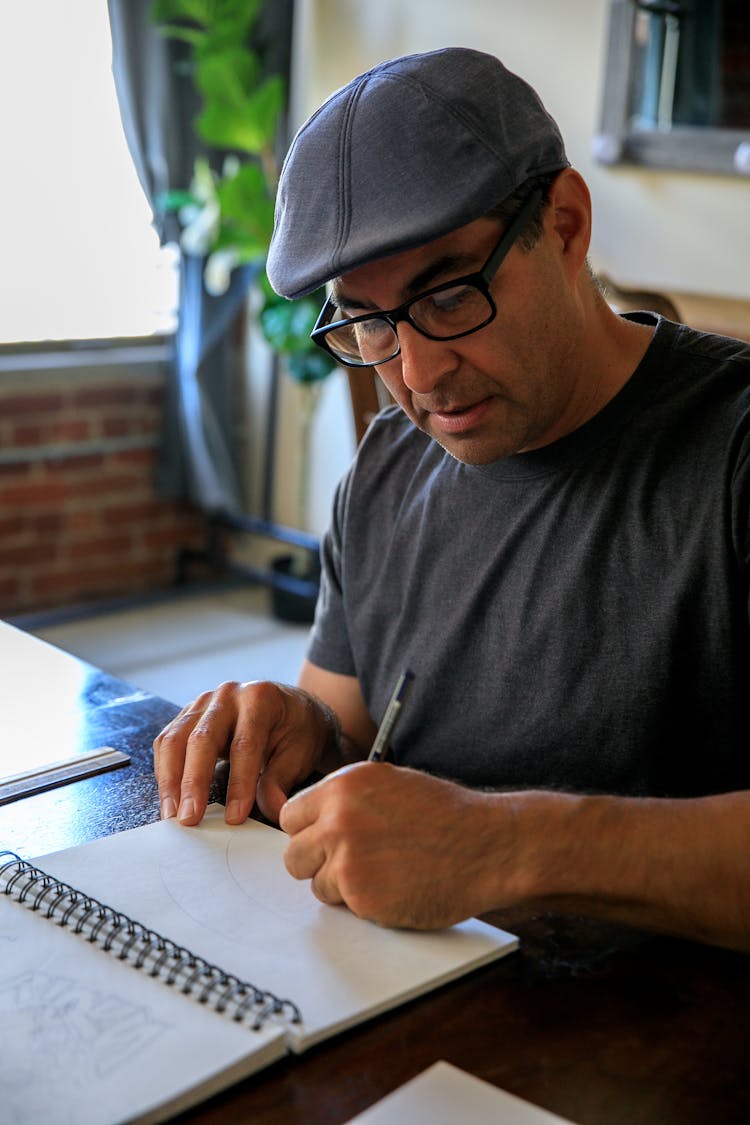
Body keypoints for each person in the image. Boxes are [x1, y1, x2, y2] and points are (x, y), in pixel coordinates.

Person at [153, 47, 750, 951]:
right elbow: (344, 725)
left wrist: (506, 846)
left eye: (448, 294)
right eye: (370, 320)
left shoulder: (732, 451)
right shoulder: (392, 459)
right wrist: (295, 727)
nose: (419, 374)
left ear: (566, 224)